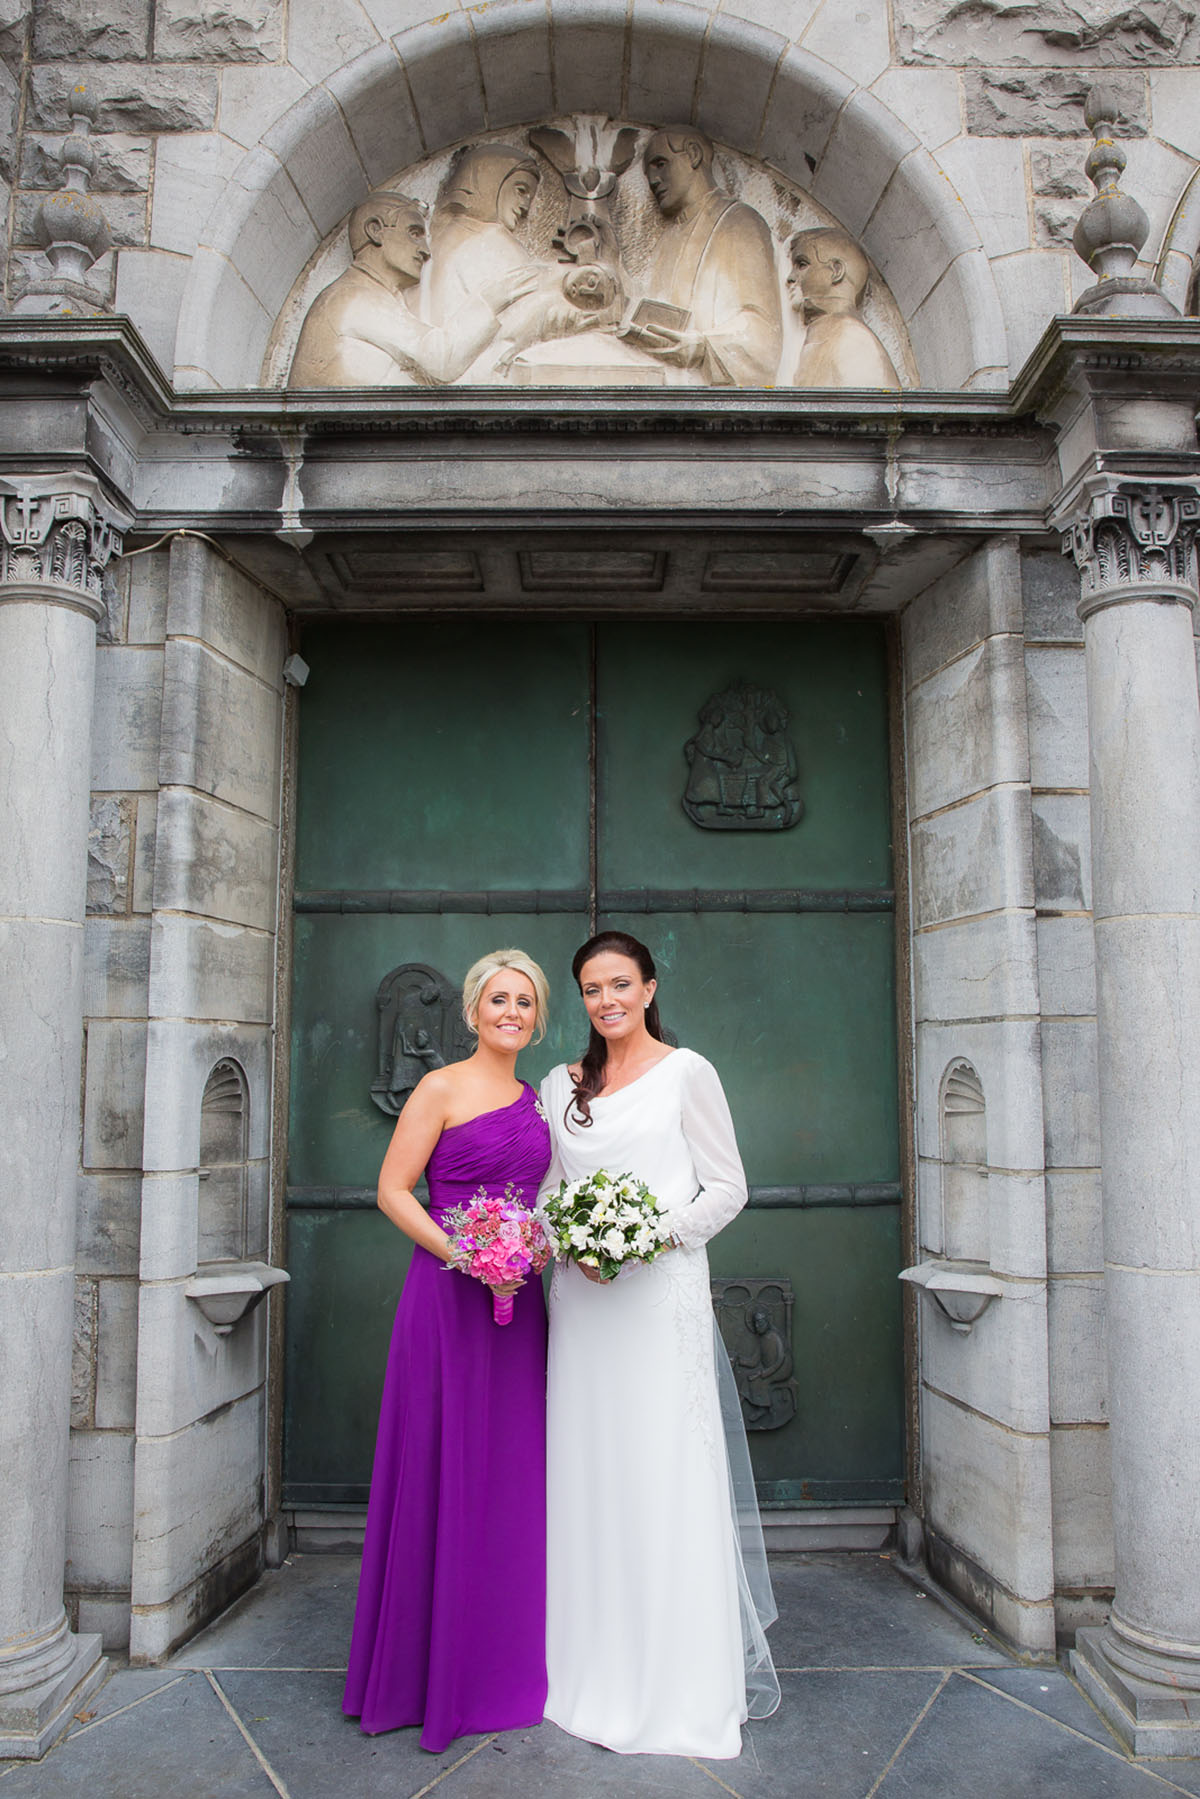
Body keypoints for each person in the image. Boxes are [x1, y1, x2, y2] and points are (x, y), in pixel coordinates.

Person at [539, 931, 780, 1758]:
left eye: (619, 984)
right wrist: (564, 1238)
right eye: (590, 988)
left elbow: (729, 1188)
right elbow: (546, 1194)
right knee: (591, 1467)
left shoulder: (688, 1072)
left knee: (663, 1467)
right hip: (582, 1307)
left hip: (655, 1299)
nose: (605, 1000)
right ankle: (589, 1665)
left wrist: (648, 1237)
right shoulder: (558, 1085)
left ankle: (677, 1681)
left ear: (648, 987)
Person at [343, 949, 553, 1750]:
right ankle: (423, 1671)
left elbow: (540, 1197)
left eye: (524, 1001)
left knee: (507, 1473)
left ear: (537, 1017)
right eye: (498, 998)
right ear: (472, 1011)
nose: (510, 1012)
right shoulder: (438, 1088)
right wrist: (462, 1253)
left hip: (519, 1305)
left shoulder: (537, 1102)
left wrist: (524, 1248)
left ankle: (501, 1658)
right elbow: (393, 1189)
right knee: (441, 1464)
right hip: (447, 1298)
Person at [289, 190, 535, 387]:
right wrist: (492, 298)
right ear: (375, 230)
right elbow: (440, 359)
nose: (426, 251)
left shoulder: (377, 296)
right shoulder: (350, 297)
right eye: (414, 233)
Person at [428, 144, 617, 380]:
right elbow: (520, 316)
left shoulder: (450, 237)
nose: (526, 206)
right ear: (490, 183)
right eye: (521, 190)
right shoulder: (488, 241)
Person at [623, 126, 782, 387]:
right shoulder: (667, 240)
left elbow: (763, 333)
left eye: (660, 164)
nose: (653, 180)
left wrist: (701, 347)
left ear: (693, 155)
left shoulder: (737, 223)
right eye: (650, 171)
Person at [787, 227, 901, 389]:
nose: (790, 278)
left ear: (836, 271)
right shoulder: (827, 332)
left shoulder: (853, 338)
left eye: (802, 265)